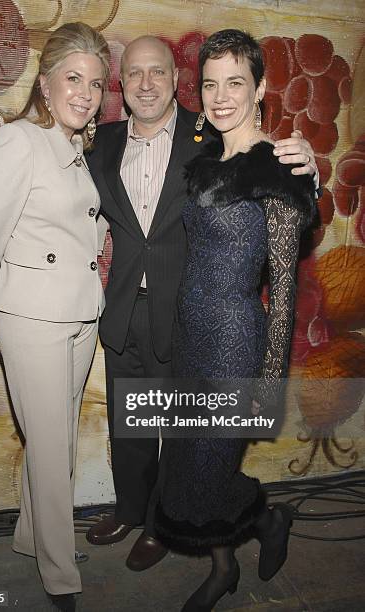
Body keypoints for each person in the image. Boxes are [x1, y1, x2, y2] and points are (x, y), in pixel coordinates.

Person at [86, 34, 319, 572]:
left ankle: (184, 526)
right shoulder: (105, 141)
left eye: (158, 72)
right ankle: (143, 517)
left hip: (209, 325)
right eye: (135, 73)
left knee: (197, 450)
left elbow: (279, 193)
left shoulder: (202, 134)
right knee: (141, 427)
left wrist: (310, 166)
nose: (147, 84)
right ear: (122, 84)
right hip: (138, 315)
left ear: (175, 80)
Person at [150, 29, 316, 611]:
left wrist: (269, 382)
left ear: (261, 88)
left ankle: (269, 521)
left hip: (235, 343)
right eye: (211, 84)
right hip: (192, 337)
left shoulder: (277, 172)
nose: (221, 98)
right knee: (192, 464)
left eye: (235, 84)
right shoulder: (203, 164)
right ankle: (226, 565)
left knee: (213, 467)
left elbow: (285, 287)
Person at [0, 22, 110, 610]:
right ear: (45, 83)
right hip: (31, 316)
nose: (85, 93)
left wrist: (101, 237)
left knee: (56, 438)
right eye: (73, 78)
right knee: (52, 449)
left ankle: (30, 537)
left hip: (77, 312)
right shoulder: (19, 140)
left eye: (96, 84)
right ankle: (59, 573)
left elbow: (73, 220)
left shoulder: (75, 146)